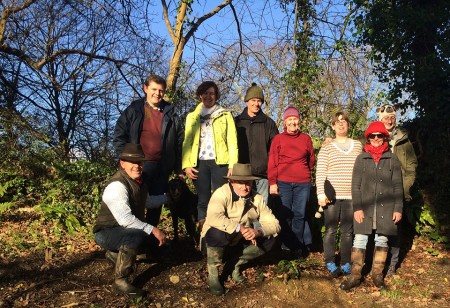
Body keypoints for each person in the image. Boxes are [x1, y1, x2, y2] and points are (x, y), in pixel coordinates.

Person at [93, 143, 166, 297]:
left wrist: (168, 198)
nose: (137, 166)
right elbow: (126, 220)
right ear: (122, 164)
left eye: (140, 162)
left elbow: (148, 202)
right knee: (136, 236)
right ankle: (120, 280)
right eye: (132, 162)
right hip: (106, 232)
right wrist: (153, 229)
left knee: (159, 246)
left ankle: (114, 254)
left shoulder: (139, 182)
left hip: (124, 230)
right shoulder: (117, 185)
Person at [113, 74, 184, 228]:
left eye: (161, 90)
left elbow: (179, 143)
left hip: (161, 167)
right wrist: (125, 160)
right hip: (137, 165)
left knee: (155, 206)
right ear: (145, 88)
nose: (157, 93)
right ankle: (133, 239)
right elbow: (119, 134)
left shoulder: (170, 113)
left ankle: (152, 241)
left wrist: (178, 168)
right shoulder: (134, 110)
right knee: (134, 202)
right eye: (154, 89)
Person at [340, 121, 403, 291]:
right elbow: (356, 186)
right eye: (373, 136)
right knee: (359, 238)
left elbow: (398, 185)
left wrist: (398, 208)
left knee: (382, 239)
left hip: (386, 207)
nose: (376, 138)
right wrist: (357, 208)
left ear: (384, 137)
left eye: (379, 135)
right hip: (365, 207)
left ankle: (377, 275)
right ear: (368, 138)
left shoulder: (392, 159)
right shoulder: (361, 158)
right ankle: (355, 275)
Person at [201, 163, 281, 295]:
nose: (245, 187)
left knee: (272, 238)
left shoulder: (257, 198)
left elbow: (275, 224)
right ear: (231, 181)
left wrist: (258, 231)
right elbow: (213, 217)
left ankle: (234, 265)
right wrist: (241, 228)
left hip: (238, 243)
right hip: (213, 243)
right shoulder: (221, 193)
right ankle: (214, 275)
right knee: (217, 232)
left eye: (248, 183)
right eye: (240, 183)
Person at [182, 81, 238, 231]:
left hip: (220, 162)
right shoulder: (192, 117)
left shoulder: (225, 115)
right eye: (205, 93)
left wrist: (233, 164)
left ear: (216, 96)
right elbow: (187, 142)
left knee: (222, 197)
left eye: (212, 93)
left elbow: (232, 141)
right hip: (199, 163)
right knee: (202, 199)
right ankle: (204, 234)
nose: (208, 96)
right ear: (200, 95)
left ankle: (223, 231)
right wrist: (186, 165)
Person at [316, 112, 363, 277]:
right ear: (333, 126)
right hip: (332, 197)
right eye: (337, 122)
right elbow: (321, 171)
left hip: (352, 196)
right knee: (330, 230)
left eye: (344, 122)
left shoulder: (358, 145)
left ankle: (345, 263)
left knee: (347, 232)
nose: (341, 124)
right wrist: (321, 194)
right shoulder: (327, 146)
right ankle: (329, 261)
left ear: (348, 125)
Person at [268, 106, 315, 257]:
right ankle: (285, 247)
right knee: (285, 214)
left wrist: (303, 172)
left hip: (303, 182)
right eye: (290, 119)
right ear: (285, 122)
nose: (293, 122)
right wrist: (272, 182)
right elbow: (273, 162)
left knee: (300, 215)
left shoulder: (306, 138)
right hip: (283, 182)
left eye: (295, 119)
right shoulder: (278, 139)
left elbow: (311, 160)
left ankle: (298, 247)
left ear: (299, 121)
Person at [377, 104, 418, 276]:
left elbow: (412, 166)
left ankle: (392, 265)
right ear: (380, 119)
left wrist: (404, 188)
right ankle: (377, 264)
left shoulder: (404, 140)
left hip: (396, 193)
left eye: (392, 117)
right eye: (386, 117)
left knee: (394, 230)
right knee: (377, 230)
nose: (389, 120)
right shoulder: (372, 136)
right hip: (376, 192)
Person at [235, 83, 279, 205]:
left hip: (262, 174)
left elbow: (275, 149)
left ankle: (260, 226)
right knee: (242, 209)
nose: (256, 103)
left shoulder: (269, 123)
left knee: (261, 208)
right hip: (242, 174)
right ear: (247, 101)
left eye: (259, 100)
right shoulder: (237, 122)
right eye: (253, 100)